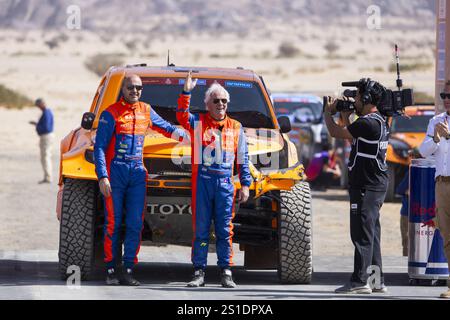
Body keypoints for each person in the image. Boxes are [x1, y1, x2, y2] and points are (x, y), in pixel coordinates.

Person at [94, 74, 185, 286]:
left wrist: (191, 135)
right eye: (130, 87)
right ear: (123, 90)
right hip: (115, 172)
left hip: (137, 173)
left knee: (135, 223)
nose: (135, 91)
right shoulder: (110, 114)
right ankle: (110, 269)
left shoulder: (146, 110)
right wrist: (103, 176)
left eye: (138, 87)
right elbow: (99, 147)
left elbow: (167, 128)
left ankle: (127, 269)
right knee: (113, 223)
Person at [177, 71, 252, 288]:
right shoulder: (198, 122)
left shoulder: (236, 127)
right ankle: (198, 271)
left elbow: (243, 158)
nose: (221, 104)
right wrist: (186, 92)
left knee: (224, 229)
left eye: (224, 101)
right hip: (202, 182)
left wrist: (245, 184)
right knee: (200, 230)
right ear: (208, 104)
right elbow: (182, 116)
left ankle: (226, 271)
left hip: (225, 185)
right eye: (216, 101)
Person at [323, 80, 389, 294]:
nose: (355, 101)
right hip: (374, 184)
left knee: (361, 233)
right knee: (372, 233)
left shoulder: (368, 123)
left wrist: (327, 112)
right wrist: (345, 115)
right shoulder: (378, 121)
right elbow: (354, 137)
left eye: (359, 98)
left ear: (368, 99)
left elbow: (336, 132)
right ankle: (376, 281)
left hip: (366, 185)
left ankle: (360, 281)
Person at [418, 80, 450, 299]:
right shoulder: (436, 121)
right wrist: (436, 139)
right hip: (442, 183)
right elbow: (423, 151)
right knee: (446, 235)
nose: (446, 100)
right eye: (444, 96)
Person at [29, 98, 54, 184]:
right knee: (45, 156)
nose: (38, 107)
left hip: (46, 137)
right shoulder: (47, 112)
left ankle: (48, 177)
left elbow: (46, 128)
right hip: (47, 136)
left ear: (42, 104)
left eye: (38, 105)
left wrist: (37, 126)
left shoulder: (46, 113)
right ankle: (47, 176)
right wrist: (37, 124)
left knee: (45, 156)